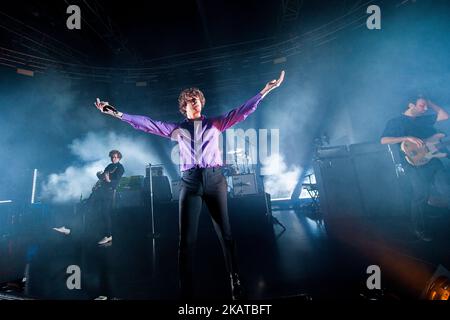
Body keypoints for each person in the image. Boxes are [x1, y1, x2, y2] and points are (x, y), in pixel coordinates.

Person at [94, 71, 285, 300]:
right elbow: (146, 123)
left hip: (215, 181)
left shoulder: (215, 122)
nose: (194, 101)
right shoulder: (176, 129)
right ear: (183, 106)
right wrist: (116, 113)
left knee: (225, 234)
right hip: (190, 183)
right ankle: (186, 286)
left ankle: (235, 278)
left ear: (201, 103)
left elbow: (242, 111)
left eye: (197, 98)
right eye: (189, 99)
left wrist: (264, 91)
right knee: (186, 240)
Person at [380, 96, 450, 241]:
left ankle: (437, 209)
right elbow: (383, 140)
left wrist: (429, 102)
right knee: (421, 196)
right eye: (421, 106)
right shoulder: (396, 122)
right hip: (413, 164)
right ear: (410, 105)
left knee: (447, 189)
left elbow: (444, 116)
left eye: (426, 106)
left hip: (433, 159)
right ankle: (420, 229)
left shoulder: (424, 118)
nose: (425, 109)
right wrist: (406, 138)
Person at [90, 150, 124, 245]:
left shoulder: (120, 168)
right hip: (100, 190)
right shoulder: (109, 166)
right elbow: (103, 177)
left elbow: (115, 183)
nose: (113, 159)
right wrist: (99, 176)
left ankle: (108, 236)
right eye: (112, 157)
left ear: (119, 158)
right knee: (88, 205)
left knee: (105, 213)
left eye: (115, 157)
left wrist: (109, 180)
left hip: (108, 192)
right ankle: (69, 228)